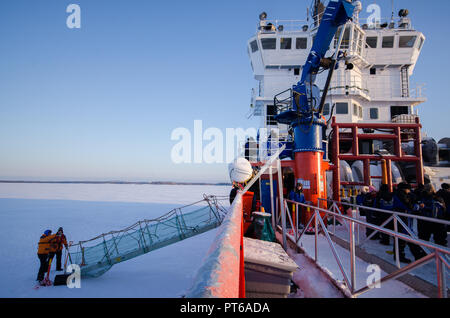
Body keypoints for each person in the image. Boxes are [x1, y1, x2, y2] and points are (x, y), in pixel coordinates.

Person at [392, 182, 425, 263]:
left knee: (405, 235)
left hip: (401, 217)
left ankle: (415, 254)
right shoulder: (401, 195)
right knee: (403, 236)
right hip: (401, 217)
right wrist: (417, 206)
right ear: (404, 189)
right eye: (408, 189)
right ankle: (401, 256)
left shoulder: (398, 194)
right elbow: (408, 206)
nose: (409, 191)